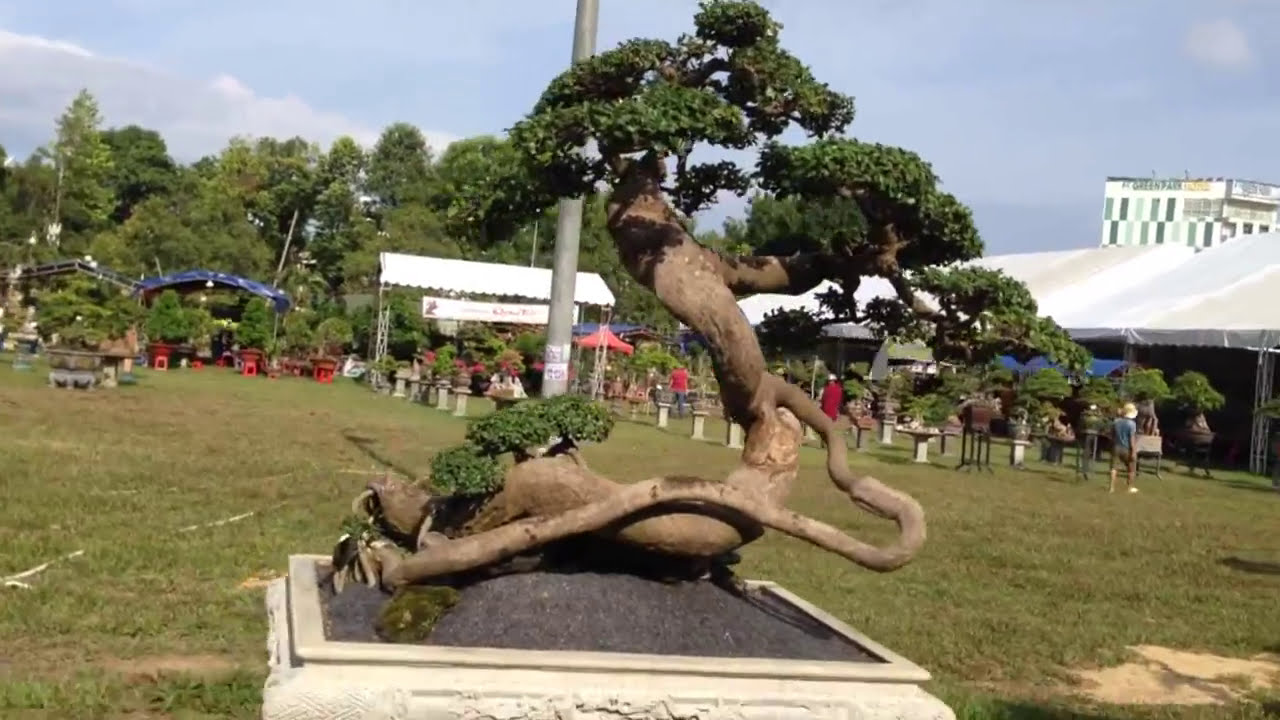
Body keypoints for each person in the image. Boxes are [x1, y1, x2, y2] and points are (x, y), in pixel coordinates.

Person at [1110, 402, 1140, 494]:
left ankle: (1111, 488)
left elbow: (1112, 435)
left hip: (1116, 447)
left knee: (1114, 468)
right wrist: (1134, 451)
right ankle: (1129, 487)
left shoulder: (1116, 422)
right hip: (1126, 448)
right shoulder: (1132, 424)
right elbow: (1132, 439)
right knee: (1131, 469)